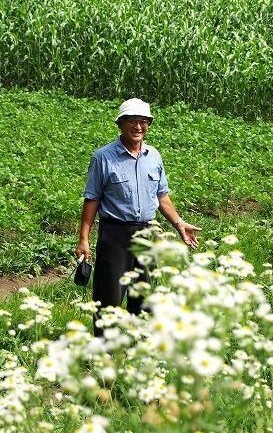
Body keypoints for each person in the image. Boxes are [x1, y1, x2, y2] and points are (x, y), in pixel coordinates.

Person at [75, 98, 200, 334]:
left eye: (143, 122)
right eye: (132, 121)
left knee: (142, 293)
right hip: (115, 234)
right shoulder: (103, 157)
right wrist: (83, 239)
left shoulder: (154, 156)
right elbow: (92, 199)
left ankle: (137, 344)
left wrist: (179, 223)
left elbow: (161, 196)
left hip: (146, 232)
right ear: (120, 124)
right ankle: (105, 350)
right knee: (109, 295)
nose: (138, 127)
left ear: (149, 125)